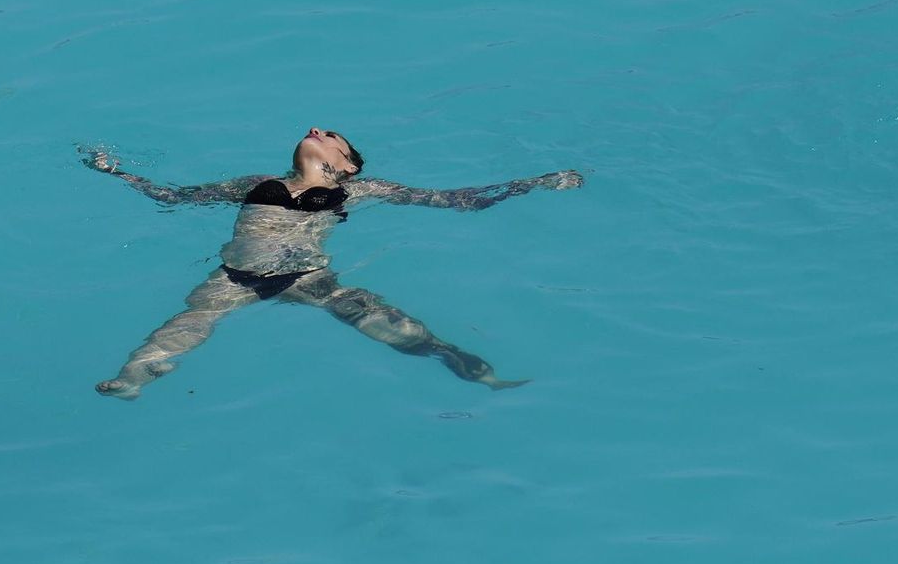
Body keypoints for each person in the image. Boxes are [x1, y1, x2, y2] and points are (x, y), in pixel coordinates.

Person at [83, 128, 584, 400]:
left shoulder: (357, 188)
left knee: (383, 321)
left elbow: (456, 200)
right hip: (237, 276)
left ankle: (469, 368)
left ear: (346, 164)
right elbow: (174, 196)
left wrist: (533, 183)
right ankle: (135, 377)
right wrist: (118, 174)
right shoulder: (251, 182)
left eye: (331, 137)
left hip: (308, 277)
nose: (315, 130)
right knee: (187, 323)